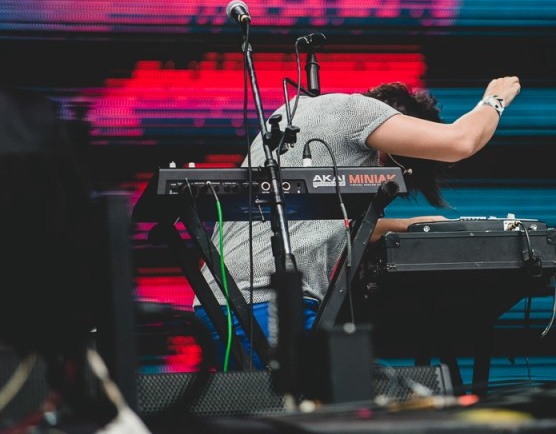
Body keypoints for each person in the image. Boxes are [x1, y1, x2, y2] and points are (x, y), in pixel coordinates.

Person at [195, 76, 522, 370]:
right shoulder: (358, 111)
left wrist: (404, 225)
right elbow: (460, 142)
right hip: (264, 307)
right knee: (359, 397)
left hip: (219, 305)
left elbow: (320, 223)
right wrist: (494, 99)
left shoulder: (299, 118)